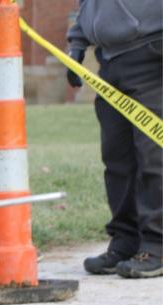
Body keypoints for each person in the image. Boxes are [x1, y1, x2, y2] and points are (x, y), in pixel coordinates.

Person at [67, 0, 162, 279]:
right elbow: (89, 6)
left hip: (153, 56)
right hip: (110, 63)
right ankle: (126, 240)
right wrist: (77, 46)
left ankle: (157, 244)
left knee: (153, 157)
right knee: (117, 159)